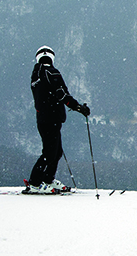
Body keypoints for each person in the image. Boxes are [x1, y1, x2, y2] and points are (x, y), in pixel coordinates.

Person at [24, 46, 90, 194]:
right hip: (52, 118)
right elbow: (62, 95)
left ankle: (47, 179)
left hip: (42, 119)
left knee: (55, 151)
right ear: (52, 58)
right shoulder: (52, 73)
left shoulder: (35, 75)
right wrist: (79, 108)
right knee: (50, 153)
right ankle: (35, 182)